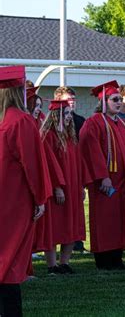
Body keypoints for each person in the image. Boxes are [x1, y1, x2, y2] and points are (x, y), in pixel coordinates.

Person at [0, 66, 51, 316]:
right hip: (13, 200)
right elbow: (33, 165)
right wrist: (40, 198)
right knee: (9, 259)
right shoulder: (21, 121)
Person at [79, 80, 125, 270]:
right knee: (105, 220)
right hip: (106, 183)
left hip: (123, 181)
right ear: (103, 101)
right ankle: (104, 260)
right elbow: (92, 152)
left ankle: (116, 258)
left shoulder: (122, 123)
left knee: (119, 219)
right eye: (114, 99)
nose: (119, 102)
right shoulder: (94, 123)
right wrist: (102, 176)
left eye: (120, 99)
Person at [41, 100, 86, 274]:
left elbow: (78, 164)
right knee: (55, 226)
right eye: (64, 114)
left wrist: (81, 186)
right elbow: (48, 165)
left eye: (69, 114)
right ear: (55, 116)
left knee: (71, 224)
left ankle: (64, 263)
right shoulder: (48, 136)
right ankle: (52, 265)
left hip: (73, 188)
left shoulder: (70, 137)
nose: (68, 117)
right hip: (57, 189)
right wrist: (57, 187)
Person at [54, 86, 87, 254]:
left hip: (74, 177)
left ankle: (76, 245)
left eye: (73, 99)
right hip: (59, 180)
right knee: (57, 218)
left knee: (74, 216)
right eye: (68, 99)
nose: (71, 103)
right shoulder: (50, 130)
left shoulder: (80, 122)